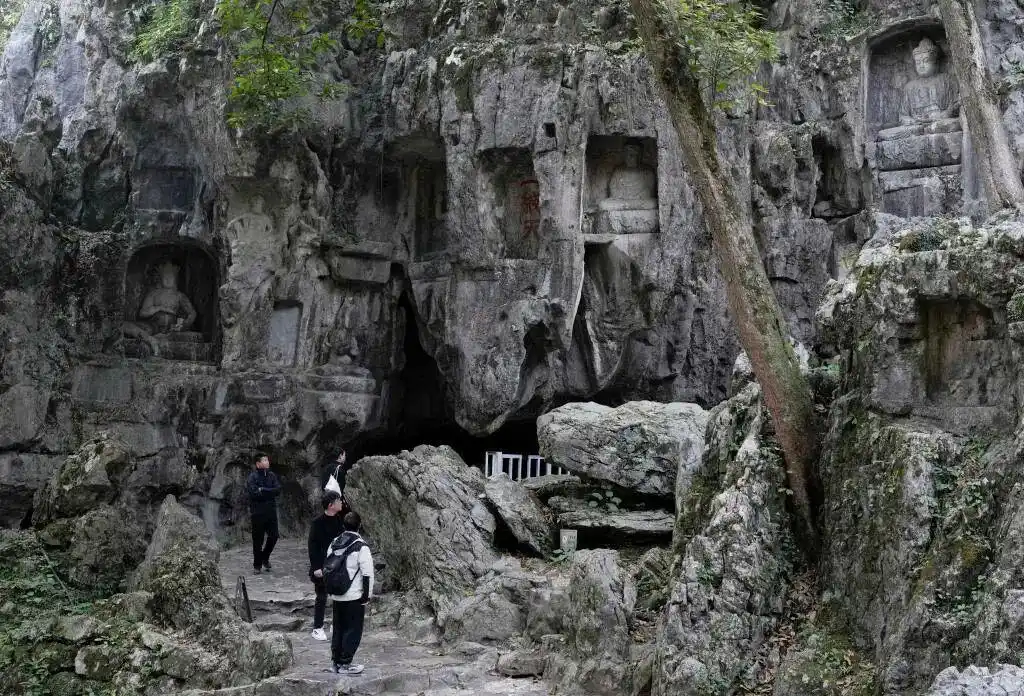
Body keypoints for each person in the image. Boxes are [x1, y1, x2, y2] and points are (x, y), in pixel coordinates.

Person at [328, 511, 374, 675]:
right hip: (354, 595)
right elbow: (367, 573)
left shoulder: (334, 542)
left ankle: (335, 662)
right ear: (359, 526)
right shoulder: (361, 546)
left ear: (343, 525)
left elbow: (329, 567)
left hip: (337, 594)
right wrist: (367, 596)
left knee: (338, 629)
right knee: (352, 630)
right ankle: (345, 664)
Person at [308, 490, 346, 642]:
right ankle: (317, 628)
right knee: (321, 597)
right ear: (331, 505)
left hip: (337, 565)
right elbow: (312, 546)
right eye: (338, 501)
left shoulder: (339, 520)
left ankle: (336, 625)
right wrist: (316, 567)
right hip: (322, 566)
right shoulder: (317, 523)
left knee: (339, 596)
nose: (341, 502)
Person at [246, 454, 281, 574]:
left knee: (274, 536)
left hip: (271, 512)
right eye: (264, 460)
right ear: (258, 464)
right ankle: (257, 565)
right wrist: (269, 492)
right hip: (257, 513)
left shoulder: (272, 475)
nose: (267, 461)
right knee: (258, 540)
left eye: (267, 459)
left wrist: (263, 490)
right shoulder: (252, 477)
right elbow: (254, 494)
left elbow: (278, 490)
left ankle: (265, 557)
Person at [321, 449, 352, 515]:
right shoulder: (340, 468)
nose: (345, 457)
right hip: (340, 502)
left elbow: (323, 486)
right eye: (344, 455)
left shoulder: (326, 468)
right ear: (340, 456)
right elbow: (345, 486)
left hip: (329, 503)